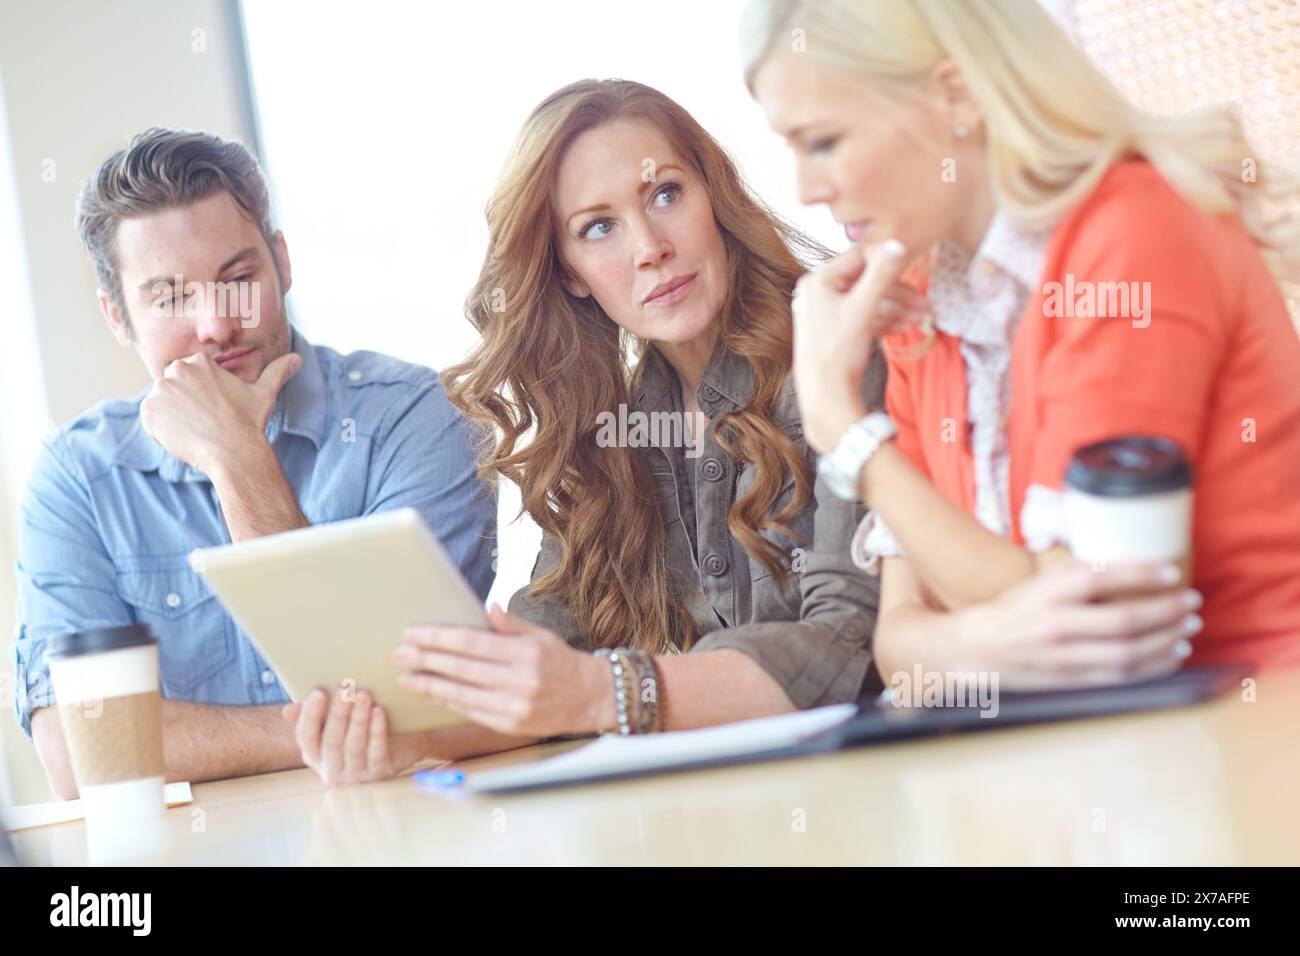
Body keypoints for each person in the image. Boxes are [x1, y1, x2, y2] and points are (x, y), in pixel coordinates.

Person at [285, 79, 884, 784]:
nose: (650, 248)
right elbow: (544, 657)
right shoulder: (614, 432)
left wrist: (607, 691)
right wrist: (412, 738)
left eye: (665, 194)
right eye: (598, 227)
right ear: (569, 275)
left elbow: (846, 642)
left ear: (713, 198)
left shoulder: (836, 350)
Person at [742, 0, 1300, 688]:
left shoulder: (1132, 233)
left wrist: (845, 429)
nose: (805, 187)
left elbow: (1104, 617)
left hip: (1255, 728)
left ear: (954, 95)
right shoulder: (921, 296)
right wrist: (977, 639)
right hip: (1088, 755)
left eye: (822, 141)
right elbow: (900, 645)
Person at [13, 127, 497, 798]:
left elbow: (413, 699)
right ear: (119, 318)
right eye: (171, 298)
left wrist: (237, 457)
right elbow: (80, 752)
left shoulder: (413, 419)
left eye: (237, 279)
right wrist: (330, 733)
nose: (215, 325)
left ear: (282, 263)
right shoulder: (79, 478)